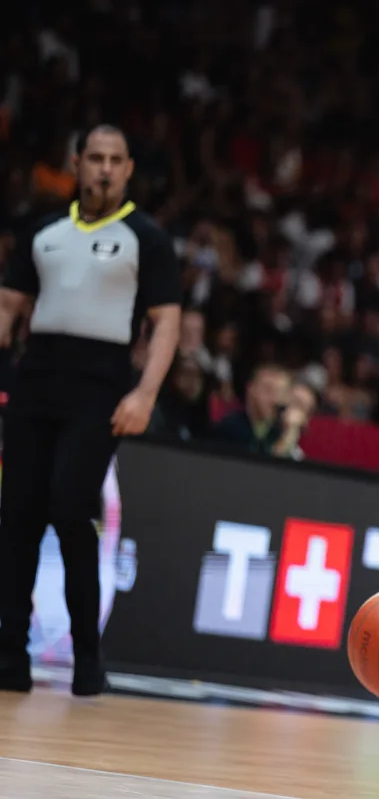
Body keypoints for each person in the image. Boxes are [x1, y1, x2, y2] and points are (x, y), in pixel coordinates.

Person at [0, 123, 181, 695]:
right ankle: (9, 656)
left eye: (115, 159)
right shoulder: (43, 230)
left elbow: (166, 322)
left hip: (100, 391)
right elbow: (8, 306)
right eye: (94, 158)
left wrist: (144, 394)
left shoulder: (146, 238)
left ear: (129, 169)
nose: (104, 168)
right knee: (17, 517)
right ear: (76, 163)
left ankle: (86, 657)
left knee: (69, 504)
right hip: (36, 383)